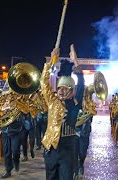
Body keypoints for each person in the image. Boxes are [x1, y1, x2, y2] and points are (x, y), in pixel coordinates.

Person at [41, 47, 84, 180]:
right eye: (59, 88)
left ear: (71, 92)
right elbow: (43, 82)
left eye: (65, 89)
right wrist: (51, 61)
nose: (61, 91)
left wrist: (75, 61)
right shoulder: (52, 101)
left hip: (68, 148)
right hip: (51, 148)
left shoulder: (75, 103)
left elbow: (81, 83)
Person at [0, 92, 26, 179]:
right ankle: (8, 170)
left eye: (11, 97)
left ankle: (16, 161)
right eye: (8, 97)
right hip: (5, 131)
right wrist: (3, 112)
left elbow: (26, 110)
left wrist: (18, 104)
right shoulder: (3, 105)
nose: (9, 98)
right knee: (6, 152)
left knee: (15, 150)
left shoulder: (18, 104)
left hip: (16, 131)